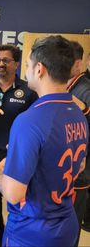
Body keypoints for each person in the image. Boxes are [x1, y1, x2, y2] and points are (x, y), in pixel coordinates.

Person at [0, 35, 88, 247]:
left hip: (32, 231)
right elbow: (79, 165)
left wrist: (2, 168)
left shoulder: (29, 120)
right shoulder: (78, 112)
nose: (24, 70)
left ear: (39, 69)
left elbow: (13, 193)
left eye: (27, 65)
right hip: (66, 223)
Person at [0, 44, 37, 247]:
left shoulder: (28, 91)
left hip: (18, 155)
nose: (1, 64)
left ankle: (16, 237)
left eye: (6, 60)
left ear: (17, 64)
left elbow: (34, 123)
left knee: (18, 199)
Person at [66, 40, 90, 247]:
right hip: (64, 170)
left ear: (78, 64)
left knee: (71, 224)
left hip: (79, 171)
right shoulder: (66, 85)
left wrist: (85, 110)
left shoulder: (85, 89)